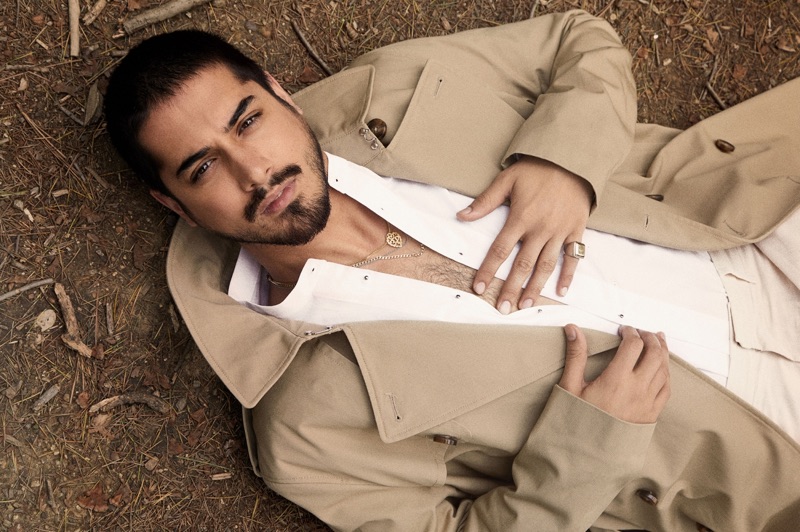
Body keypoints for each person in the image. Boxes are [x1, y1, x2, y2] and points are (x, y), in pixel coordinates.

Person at [104, 9, 800, 531]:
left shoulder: (388, 97)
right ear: (179, 207)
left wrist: (564, 164)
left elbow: (577, 42)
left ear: (282, 96)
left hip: (754, 235)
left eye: (247, 121)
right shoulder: (303, 424)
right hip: (750, 445)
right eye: (203, 167)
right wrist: (591, 447)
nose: (254, 171)